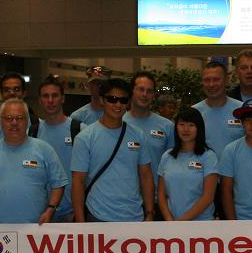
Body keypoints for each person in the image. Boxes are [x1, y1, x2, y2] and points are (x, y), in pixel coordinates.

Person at [0, 98, 66, 224]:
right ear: (1, 121)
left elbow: (58, 184)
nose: (14, 122)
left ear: (27, 121)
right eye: (8, 118)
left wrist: (50, 210)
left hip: (36, 229)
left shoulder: (44, 149)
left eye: (20, 118)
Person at [71, 78, 154, 223]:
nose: (118, 104)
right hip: (98, 216)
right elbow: (78, 181)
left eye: (123, 100)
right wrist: (80, 221)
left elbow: (146, 175)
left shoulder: (138, 135)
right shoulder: (85, 137)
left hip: (135, 216)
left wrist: (150, 213)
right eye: (112, 99)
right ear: (102, 100)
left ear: (128, 103)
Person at [157, 108, 219, 221]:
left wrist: (181, 222)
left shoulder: (208, 156)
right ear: (176, 127)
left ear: (199, 128)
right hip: (171, 223)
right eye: (181, 124)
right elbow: (161, 195)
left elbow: (208, 197)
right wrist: (170, 221)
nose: (185, 129)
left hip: (201, 224)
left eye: (191, 125)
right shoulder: (167, 156)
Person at [125, 71, 175, 208]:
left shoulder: (167, 126)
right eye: (140, 89)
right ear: (131, 91)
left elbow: (172, 165)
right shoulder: (119, 123)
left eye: (149, 91)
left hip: (158, 200)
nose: (145, 94)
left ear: (153, 95)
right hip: (126, 200)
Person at [34, 75, 76, 222]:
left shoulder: (79, 131)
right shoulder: (32, 132)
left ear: (63, 98)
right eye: (45, 96)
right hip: (40, 212)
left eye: (55, 95)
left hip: (72, 212)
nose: (50, 100)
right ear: (40, 100)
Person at [193, 60, 245, 155]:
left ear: (226, 81)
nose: (211, 85)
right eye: (207, 80)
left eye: (216, 79)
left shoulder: (243, 110)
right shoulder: (194, 112)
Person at [0, 72, 39, 140]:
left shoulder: (39, 126)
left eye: (16, 89)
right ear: (1, 94)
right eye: (6, 90)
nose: (12, 93)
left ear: (24, 93)